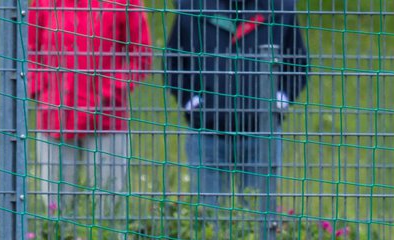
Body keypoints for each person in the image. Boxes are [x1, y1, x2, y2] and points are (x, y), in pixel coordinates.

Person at [163, 0, 309, 212]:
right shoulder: (192, 6)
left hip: (261, 133)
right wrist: (191, 101)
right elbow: (173, 60)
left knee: (258, 216)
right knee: (206, 216)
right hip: (207, 130)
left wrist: (280, 100)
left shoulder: (280, 7)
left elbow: (298, 62)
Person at [27, 0, 153, 219]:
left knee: (108, 206)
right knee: (56, 209)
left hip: (107, 118)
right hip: (55, 116)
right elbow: (28, 50)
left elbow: (141, 55)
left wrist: (112, 90)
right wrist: (42, 90)